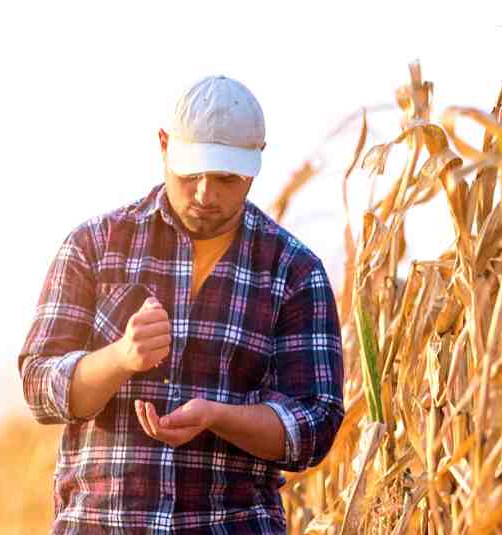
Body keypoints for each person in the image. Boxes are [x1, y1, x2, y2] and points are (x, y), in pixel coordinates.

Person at [17, 75, 345, 534]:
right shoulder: (93, 247)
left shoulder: (294, 272)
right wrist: (120, 358)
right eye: (191, 175)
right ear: (164, 145)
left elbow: (315, 426)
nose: (206, 194)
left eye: (226, 178)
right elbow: (39, 388)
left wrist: (217, 416)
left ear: (257, 162)